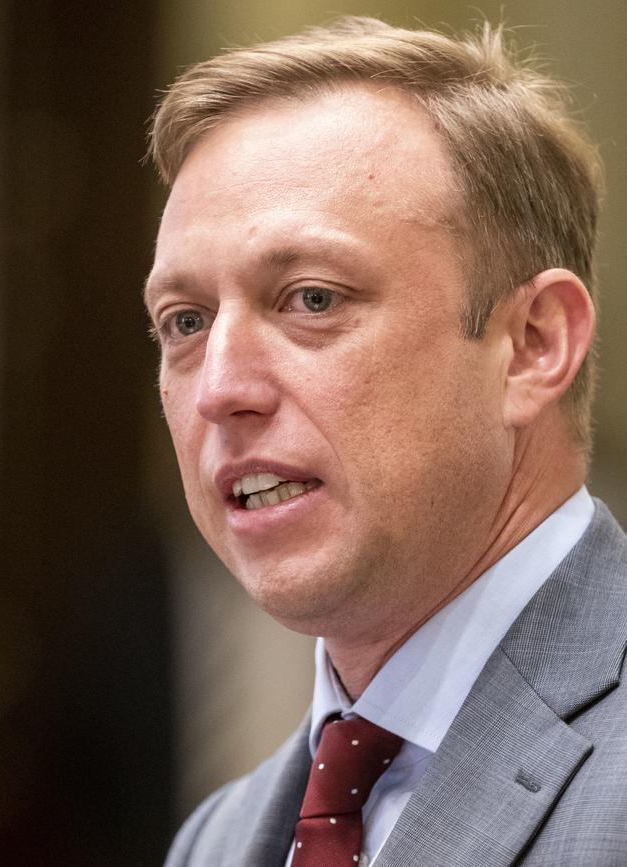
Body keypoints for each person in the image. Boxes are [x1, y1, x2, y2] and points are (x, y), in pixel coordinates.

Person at [144, 16, 627, 866]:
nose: (219, 388)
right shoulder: (214, 841)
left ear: (534, 343)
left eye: (313, 299)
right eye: (185, 321)